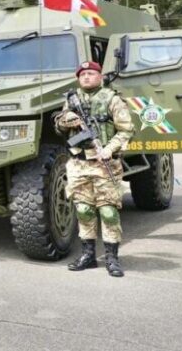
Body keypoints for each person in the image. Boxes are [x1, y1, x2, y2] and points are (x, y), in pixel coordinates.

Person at [54, 61, 134, 277]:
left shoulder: (112, 98)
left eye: (91, 73)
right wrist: (65, 121)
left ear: (100, 76)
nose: (87, 77)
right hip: (78, 164)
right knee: (83, 210)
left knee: (108, 212)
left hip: (104, 163)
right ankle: (88, 256)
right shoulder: (72, 99)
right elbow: (59, 127)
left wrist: (108, 149)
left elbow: (126, 130)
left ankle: (112, 259)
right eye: (83, 74)